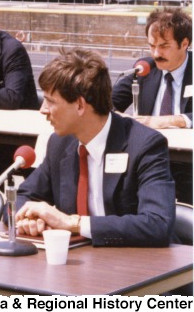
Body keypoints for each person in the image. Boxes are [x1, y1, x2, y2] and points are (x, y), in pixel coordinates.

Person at [15, 48, 176, 247]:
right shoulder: (59, 144)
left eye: (50, 101)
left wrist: (73, 223)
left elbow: (157, 224)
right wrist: (31, 219)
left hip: (136, 265)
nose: (43, 110)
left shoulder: (145, 145)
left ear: (80, 105)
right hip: (77, 264)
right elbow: (24, 197)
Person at [112, 7, 192, 129]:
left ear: (184, 44)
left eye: (164, 46)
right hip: (149, 145)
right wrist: (123, 119)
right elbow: (104, 103)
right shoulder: (144, 69)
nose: (156, 54)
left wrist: (171, 121)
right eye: (152, 46)